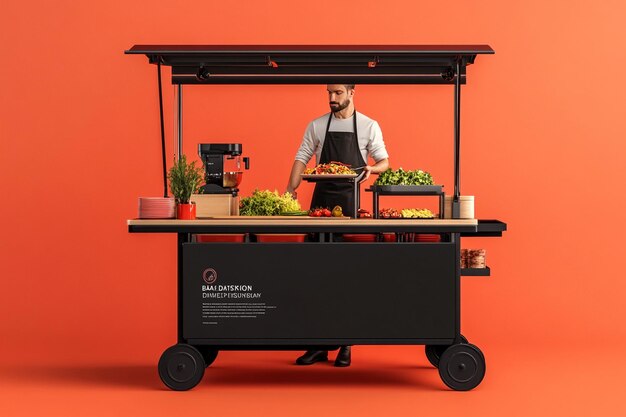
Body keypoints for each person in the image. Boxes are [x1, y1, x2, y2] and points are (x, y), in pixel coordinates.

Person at [285, 84, 389, 367]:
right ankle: (317, 345)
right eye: (329, 93)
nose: (332, 98)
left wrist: (371, 168)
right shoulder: (317, 125)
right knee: (314, 276)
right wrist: (289, 191)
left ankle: (345, 345)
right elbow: (302, 157)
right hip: (320, 209)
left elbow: (384, 161)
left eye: (338, 93)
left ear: (352, 93)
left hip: (351, 208)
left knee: (347, 278)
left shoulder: (369, 126)